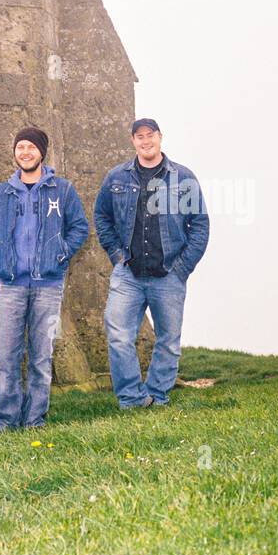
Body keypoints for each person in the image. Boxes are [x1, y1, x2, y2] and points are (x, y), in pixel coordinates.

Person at [94, 118, 210, 409]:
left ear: (160, 137)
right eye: (139, 137)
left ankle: (157, 396)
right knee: (118, 335)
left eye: (151, 135)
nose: (146, 141)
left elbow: (200, 225)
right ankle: (132, 398)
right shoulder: (117, 178)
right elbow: (102, 218)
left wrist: (182, 268)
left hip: (169, 275)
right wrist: (117, 256)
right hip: (128, 275)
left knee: (168, 341)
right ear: (133, 141)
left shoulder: (183, 178)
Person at [0, 127, 89, 431]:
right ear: (14, 152)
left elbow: (79, 227)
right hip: (11, 285)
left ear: (41, 152)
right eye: (20, 147)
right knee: (7, 357)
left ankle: (34, 420)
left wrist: (61, 252)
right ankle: (6, 421)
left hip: (48, 286)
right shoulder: (2, 193)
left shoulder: (62, 190)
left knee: (42, 357)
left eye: (31, 147)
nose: (25, 152)